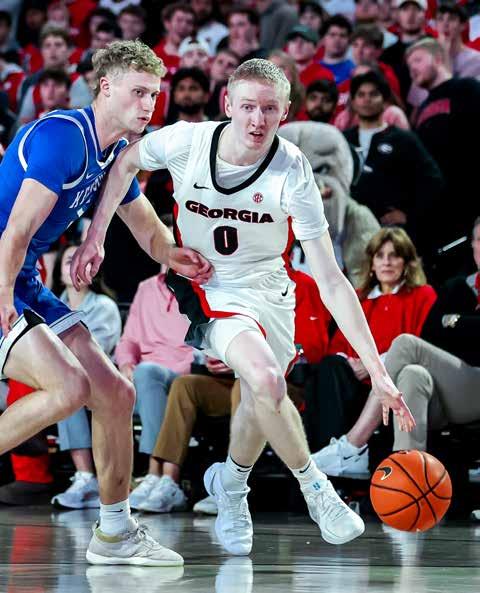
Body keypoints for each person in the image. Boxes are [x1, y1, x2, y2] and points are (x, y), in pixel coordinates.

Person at [73, 58, 415, 555]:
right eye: (248, 107)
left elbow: (331, 278)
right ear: (228, 104)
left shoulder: (292, 168)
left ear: (285, 112)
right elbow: (125, 161)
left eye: (270, 109)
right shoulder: (187, 142)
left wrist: (380, 373)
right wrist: (96, 236)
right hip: (210, 287)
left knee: (261, 396)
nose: (258, 119)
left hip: (271, 291)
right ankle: (317, 488)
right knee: (268, 380)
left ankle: (231, 484)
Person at [0, 40, 211, 567]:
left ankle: (115, 533)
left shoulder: (115, 154)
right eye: (138, 92)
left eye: (154, 95)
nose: (148, 104)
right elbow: (15, 233)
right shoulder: (64, 137)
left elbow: (150, 233)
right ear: (105, 87)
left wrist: (178, 256)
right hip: (3, 270)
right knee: (69, 387)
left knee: (116, 393)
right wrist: (3, 298)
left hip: (24, 277)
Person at [307, 227, 436, 462]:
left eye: (394, 255)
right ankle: (329, 452)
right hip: (355, 382)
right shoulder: (359, 298)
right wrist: (352, 363)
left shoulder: (423, 295)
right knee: (330, 366)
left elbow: (420, 346)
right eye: (380, 255)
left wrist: (373, 366)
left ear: (407, 262)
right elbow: (338, 345)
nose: (387, 262)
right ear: (372, 263)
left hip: (396, 382)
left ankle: (349, 452)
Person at [50, 242, 122, 510]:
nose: (74, 265)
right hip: (52, 375)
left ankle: (85, 476)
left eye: (81, 260)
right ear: (59, 272)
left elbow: (96, 354)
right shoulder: (48, 306)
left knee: (68, 387)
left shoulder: (104, 306)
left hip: (97, 380)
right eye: (69, 260)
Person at [343, 71, 444, 252]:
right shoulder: (342, 139)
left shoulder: (403, 139)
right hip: (348, 231)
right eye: (361, 95)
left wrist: (409, 214)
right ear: (353, 101)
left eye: (373, 94)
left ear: (385, 99)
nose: (367, 99)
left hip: (388, 234)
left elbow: (433, 181)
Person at [406, 38, 480, 252]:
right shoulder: (421, 108)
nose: (412, 69)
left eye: (418, 60)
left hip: (470, 195)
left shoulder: (467, 88)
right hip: (440, 205)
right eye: (409, 66)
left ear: (438, 59)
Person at [436, 1, 480, 80]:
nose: (445, 24)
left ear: (463, 25)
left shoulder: (475, 60)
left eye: (451, 19)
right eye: (440, 19)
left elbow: (451, 86)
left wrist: (445, 54)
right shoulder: (428, 58)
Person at [319, 15, 355, 85]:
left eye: (342, 36)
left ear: (349, 41)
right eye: (332, 35)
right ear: (323, 39)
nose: (337, 40)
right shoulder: (312, 68)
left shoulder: (353, 71)